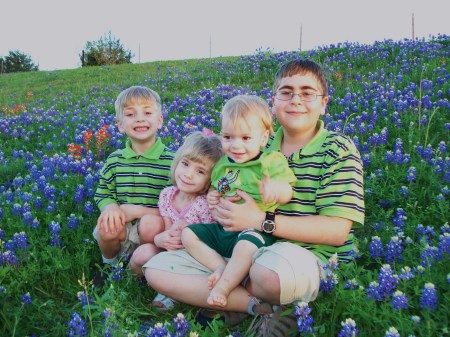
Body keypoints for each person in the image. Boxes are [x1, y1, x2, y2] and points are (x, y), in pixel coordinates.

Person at [144, 59, 365, 336]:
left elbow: (336, 231)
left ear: (324, 103)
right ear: (274, 102)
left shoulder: (338, 149)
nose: (296, 99)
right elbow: (223, 184)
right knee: (156, 269)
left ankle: (251, 299)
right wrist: (215, 198)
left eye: (307, 92)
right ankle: (251, 302)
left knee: (266, 273)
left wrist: (261, 220)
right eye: (286, 92)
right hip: (240, 245)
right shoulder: (254, 145)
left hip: (306, 256)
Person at [181, 95, 296, 309]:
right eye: (227, 137)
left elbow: (288, 190)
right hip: (223, 229)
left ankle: (223, 287)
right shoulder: (223, 165)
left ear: (263, 139)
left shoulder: (270, 162)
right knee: (188, 234)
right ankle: (220, 267)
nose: (235, 145)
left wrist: (276, 189)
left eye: (245, 138)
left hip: (254, 232)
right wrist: (214, 195)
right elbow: (221, 186)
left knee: (245, 246)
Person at [129, 131, 223, 309]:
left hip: (192, 259)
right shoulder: (167, 195)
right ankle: (127, 283)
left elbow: (209, 245)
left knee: (176, 269)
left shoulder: (206, 205)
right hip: (168, 251)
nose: (188, 175)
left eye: (200, 171)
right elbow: (167, 232)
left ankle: (170, 293)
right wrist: (159, 239)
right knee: (142, 253)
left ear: (210, 180)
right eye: (185, 164)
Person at [93, 85, 174, 269]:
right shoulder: (114, 160)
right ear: (120, 125)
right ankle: (110, 267)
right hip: (124, 227)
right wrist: (111, 207)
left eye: (147, 112)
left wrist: (136, 210)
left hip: (154, 231)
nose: (139, 119)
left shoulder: (173, 162)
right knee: (106, 225)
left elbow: (178, 205)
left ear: (160, 120)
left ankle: (144, 266)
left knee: (149, 225)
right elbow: (103, 193)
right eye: (130, 114)